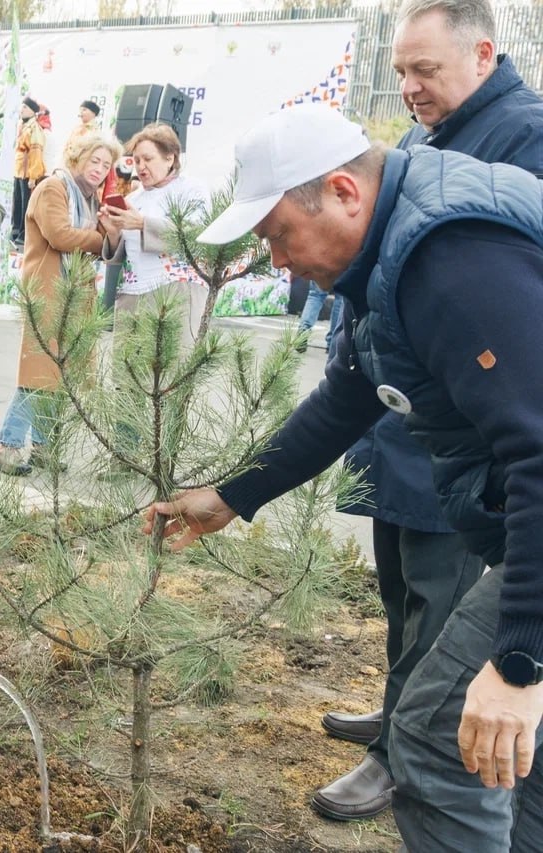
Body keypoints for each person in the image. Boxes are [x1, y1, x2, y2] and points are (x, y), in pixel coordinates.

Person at [153, 101, 543, 853]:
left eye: (277, 235)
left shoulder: (450, 258)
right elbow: (351, 392)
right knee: (518, 756)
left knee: (438, 737)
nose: (277, 261)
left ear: (342, 191)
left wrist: (520, 658)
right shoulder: (390, 257)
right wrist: (234, 495)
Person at [311, 0, 543, 823]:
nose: (409, 87)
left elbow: (522, 399)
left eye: (425, 70)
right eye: (401, 72)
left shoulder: (523, 139)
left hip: (484, 434)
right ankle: (408, 717)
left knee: (451, 613)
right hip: (407, 414)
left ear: (483, 53)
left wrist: (518, 661)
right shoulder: (421, 143)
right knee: (405, 589)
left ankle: (411, 749)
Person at [0, 132, 120, 477]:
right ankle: (8, 446)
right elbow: (60, 235)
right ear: (77, 156)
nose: (100, 169)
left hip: (73, 294)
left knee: (59, 374)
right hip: (48, 291)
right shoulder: (54, 187)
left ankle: (45, 448)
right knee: (38, 374)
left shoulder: (89, 198)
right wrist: (103, 239)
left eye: (106, 165)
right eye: (95, 160)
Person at [98, 122, 208, 350]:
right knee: (127, 376)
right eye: (136, 160)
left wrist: (142, 224)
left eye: (148, 159)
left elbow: (196, 237)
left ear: (170, 158)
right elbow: (122, 256)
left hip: (174, 293)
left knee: (167, 374)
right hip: (132, 296)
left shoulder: (192, 190)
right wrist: (113, 232)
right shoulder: (135, 198)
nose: (141, 166)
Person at [11, 96, 46, 247]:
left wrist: (33, 176)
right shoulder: (23, 126)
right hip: (19, 170)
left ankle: (24, 233)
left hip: (28, 173)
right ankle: (16, 229)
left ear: (32, 111)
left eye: (25, 107)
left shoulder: (35, 129)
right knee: (17, 202)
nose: (22, 110)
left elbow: (36, 154)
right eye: (22, 107)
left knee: (26, 205)